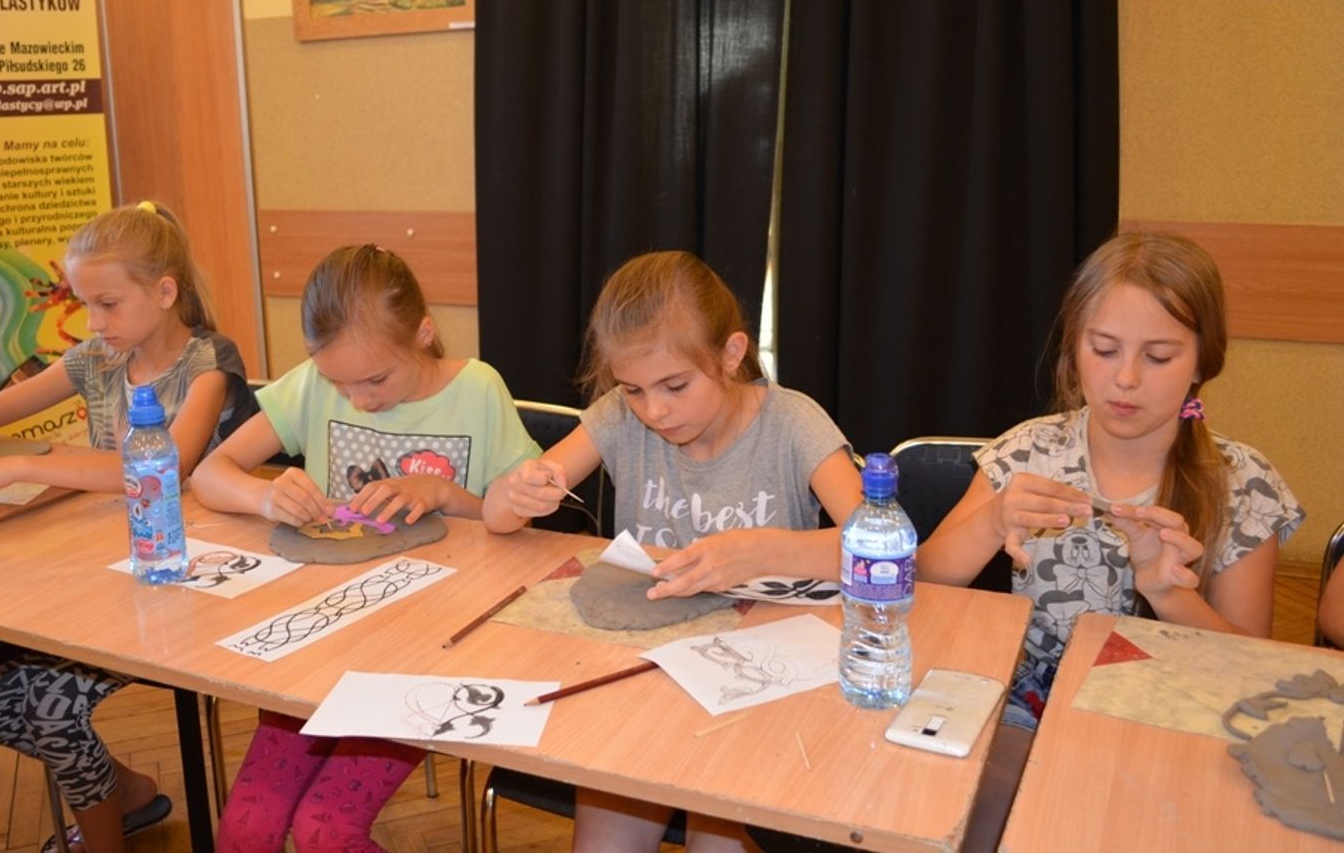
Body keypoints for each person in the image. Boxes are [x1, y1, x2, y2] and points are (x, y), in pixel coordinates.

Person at [0, 200, 258, 853]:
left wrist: (23, 463)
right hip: (105, 571)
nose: (93, 323)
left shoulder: (208, 364)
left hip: (183, 581)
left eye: (108, 304)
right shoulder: (96, 358)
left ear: (164, 293)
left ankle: (103, 838)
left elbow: (167, 467)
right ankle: (124, 793)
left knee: (50, 708)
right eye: (86, 305)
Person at [915, 230, 1305, 850]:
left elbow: (1254, 671)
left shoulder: (1243, 484)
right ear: (1074, 348)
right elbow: (921, 583)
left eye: (1159, 357)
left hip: (1172, 719)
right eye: (1104, 349)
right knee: (982, 823)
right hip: (1027, 707)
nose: (1125, 378)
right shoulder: (1029, 451)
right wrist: (991, 522)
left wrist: (1170, 595)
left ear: (1202, 363)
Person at [482, 250, 864, 853]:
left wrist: (764, 550)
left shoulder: (793, 423)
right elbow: (496, 518)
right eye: (633, 389)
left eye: (675, 386)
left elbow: (884, 551)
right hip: (642, 672)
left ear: (731, 354)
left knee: (718, 833)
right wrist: (517, 493)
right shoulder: (620, 418)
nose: (654, 410)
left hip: (756, 686)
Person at [189, 244, 538, 853]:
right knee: (246, 829)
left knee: (325, 832)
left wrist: (441, 492)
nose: (360, 400)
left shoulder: (478, 390)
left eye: (376, 380)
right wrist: (265, 498)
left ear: (423, 334)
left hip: (426, 656)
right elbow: (208, 474)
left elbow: (515, 521)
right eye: (337, 382)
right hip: (320, 641)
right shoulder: (310, 387)